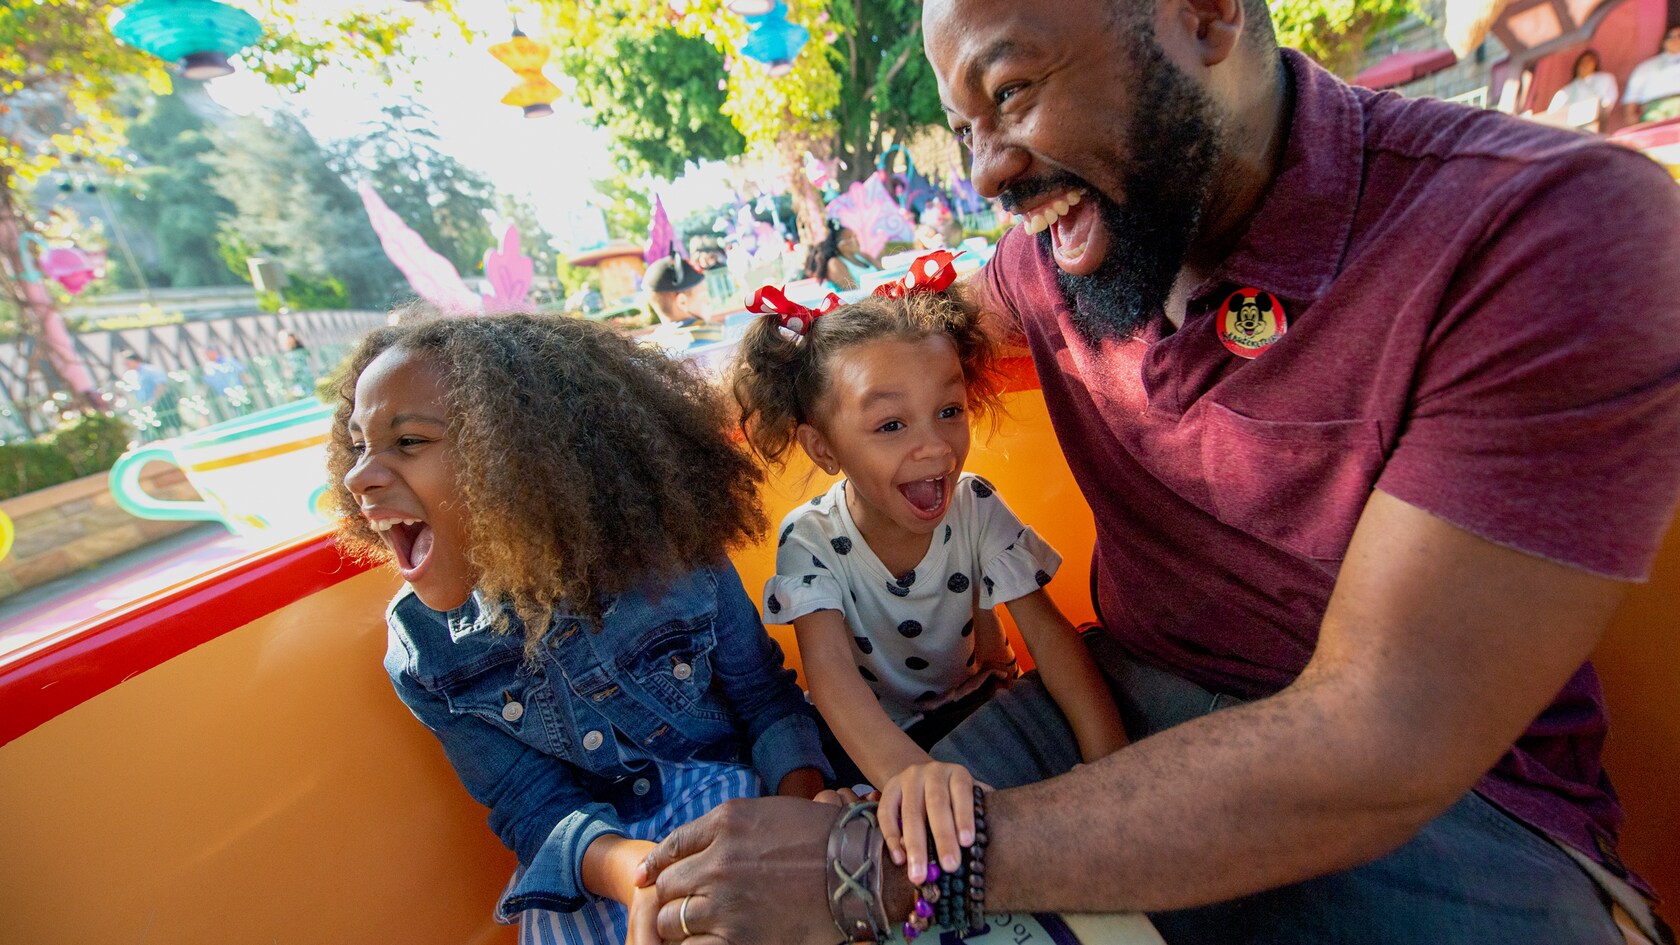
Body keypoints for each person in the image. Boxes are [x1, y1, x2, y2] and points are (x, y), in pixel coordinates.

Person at [633, 0, 1680, 943]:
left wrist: (875, 871)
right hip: (1118, 710)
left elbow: (1381, 741)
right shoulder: (1056, 260)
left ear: (1206, 15)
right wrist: (614, 429)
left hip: (1449, 818)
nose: (986, 171)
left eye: (1012, 91)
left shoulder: (1544, 229)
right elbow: (858, 361)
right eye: (966, 129)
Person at [327, 313, 831, 945]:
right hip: (597, 864)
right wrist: (639, 878)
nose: (360, 475)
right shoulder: (424, 654)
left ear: (519, 458)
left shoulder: (673, 554)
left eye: (407, 443)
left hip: (736, 799)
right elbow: (529, 805)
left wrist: (801, 820)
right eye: (359, 446)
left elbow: (765, 701)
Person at [730, 255, 1127, 877]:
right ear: (824, 447)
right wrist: (917, 782)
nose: (936, 446)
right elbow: (830, 680)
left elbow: (1053, 642)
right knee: (837, 822)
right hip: (867, 741)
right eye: (890, 424)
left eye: (949, 410)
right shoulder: (809, 539)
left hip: (972, 702)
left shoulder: (974, 504)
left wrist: (1115, 770)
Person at [1623, 25, 1680, 124]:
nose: (1675, 39)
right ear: (1663, 41)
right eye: (1670, 36)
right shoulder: (1646, 67)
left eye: (1679, 36)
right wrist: (1630, 117)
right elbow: (1632, 97)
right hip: (1654, 112)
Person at [120, 350, 180, 441]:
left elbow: (161, 384)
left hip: (161, 403)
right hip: (150, 406)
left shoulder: (149, 370)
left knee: (170, 428)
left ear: (135, 360)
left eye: (127, 362)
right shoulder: (135, 374)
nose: (125, 365)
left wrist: (154, 400)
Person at [1548, 49, 1618, 123]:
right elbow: (1551, 117)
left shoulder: (1605, 80)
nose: (1585, 64)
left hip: (1592, 124)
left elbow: (1606, 105)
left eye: (1589, 61)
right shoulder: (1565, 91)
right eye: (1583, 62)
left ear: (1595, 64)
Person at [810, 222, 880, 291]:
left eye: (855, 236)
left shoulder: (864, 256)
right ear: (840, 245)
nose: (856, 240)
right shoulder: (834, 263)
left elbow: (885, 273)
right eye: (850, 237)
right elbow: (852, 291)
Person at [200, 346, 250, 421]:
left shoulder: (229, 361)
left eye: (208, 354)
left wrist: (249, 387)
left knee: (245, 412)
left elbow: (242, 373)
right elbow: (206, 383)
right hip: (223, 397)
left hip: (238, 392)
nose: (207, 356)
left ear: (213, 353)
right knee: (233, 417)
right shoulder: (209, 368)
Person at [277, 329, 313, 399]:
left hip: (304, 374)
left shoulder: (300, 350)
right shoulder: (286, 353)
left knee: (308, 391)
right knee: (299, 392)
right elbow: (286, 366)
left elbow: (309, 359)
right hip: (295, 376)